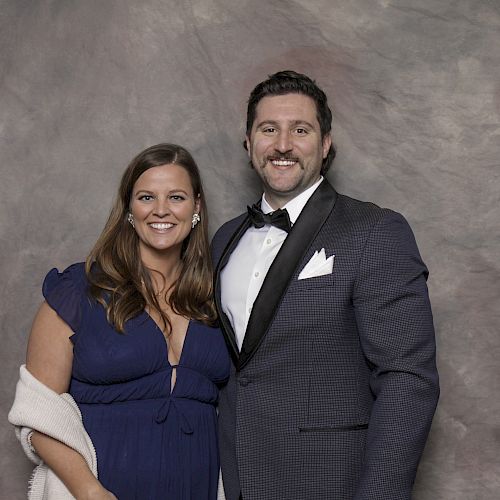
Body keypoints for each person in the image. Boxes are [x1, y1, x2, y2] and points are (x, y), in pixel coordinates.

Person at [211, 71, 440, 500]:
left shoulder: (374, 231)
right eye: (268, 129)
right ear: (248, 143)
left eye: (300, 130)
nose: (282, 144)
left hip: (332, 482)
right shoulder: (224, 239)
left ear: (325, 143)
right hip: (234, 482)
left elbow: (407, 379)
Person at [9, 143, 230, 499]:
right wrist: (89, 491)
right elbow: (38, 412)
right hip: (103, 490)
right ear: (129, 208)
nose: (161, 210)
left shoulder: (214, 299)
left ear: (196, 207)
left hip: (196, 487)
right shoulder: (79, 291)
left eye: (176, 197)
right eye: (146, 197)